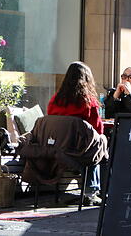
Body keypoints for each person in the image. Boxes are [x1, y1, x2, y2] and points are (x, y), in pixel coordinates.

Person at [46, 61, 104, 205]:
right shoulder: (88, 102)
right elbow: (97, 129)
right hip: (79, 152)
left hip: (57, 150)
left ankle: (89, 190)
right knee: (98, 146)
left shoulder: (55, 100)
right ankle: (91, 191)